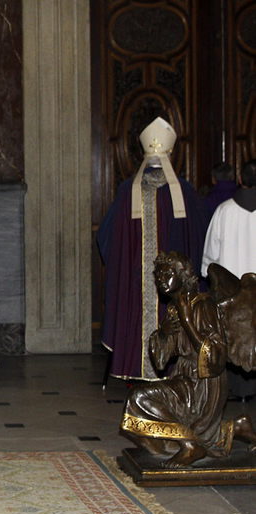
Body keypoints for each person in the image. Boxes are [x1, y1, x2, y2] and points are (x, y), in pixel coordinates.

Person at [97, 117, 209, 379]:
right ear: (170, 154)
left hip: (136, 282)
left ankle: (137, 368)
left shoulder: (128, 191)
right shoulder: (184, 191)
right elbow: (201, 233)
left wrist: (123, 265)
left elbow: (105, 236)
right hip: (176, 285)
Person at [120, 251, 256, 466]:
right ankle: (235, 428)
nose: (161, 280)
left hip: (204, 383)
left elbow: (215, 355)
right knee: (149, 436)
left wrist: (187, 321)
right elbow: (161, 362)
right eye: (158, 276)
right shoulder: (175, 308)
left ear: (183, 275)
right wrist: (164, 333)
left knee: (139, 398)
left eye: (168, 275)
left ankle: (190, 445)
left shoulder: (204, 305)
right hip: (185, 378)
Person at [202, 159, 256, 399]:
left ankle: (236, 389)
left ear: (241, 180)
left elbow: (210, 260)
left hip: (233, 297)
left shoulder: (224, 211)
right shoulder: (224, 209)